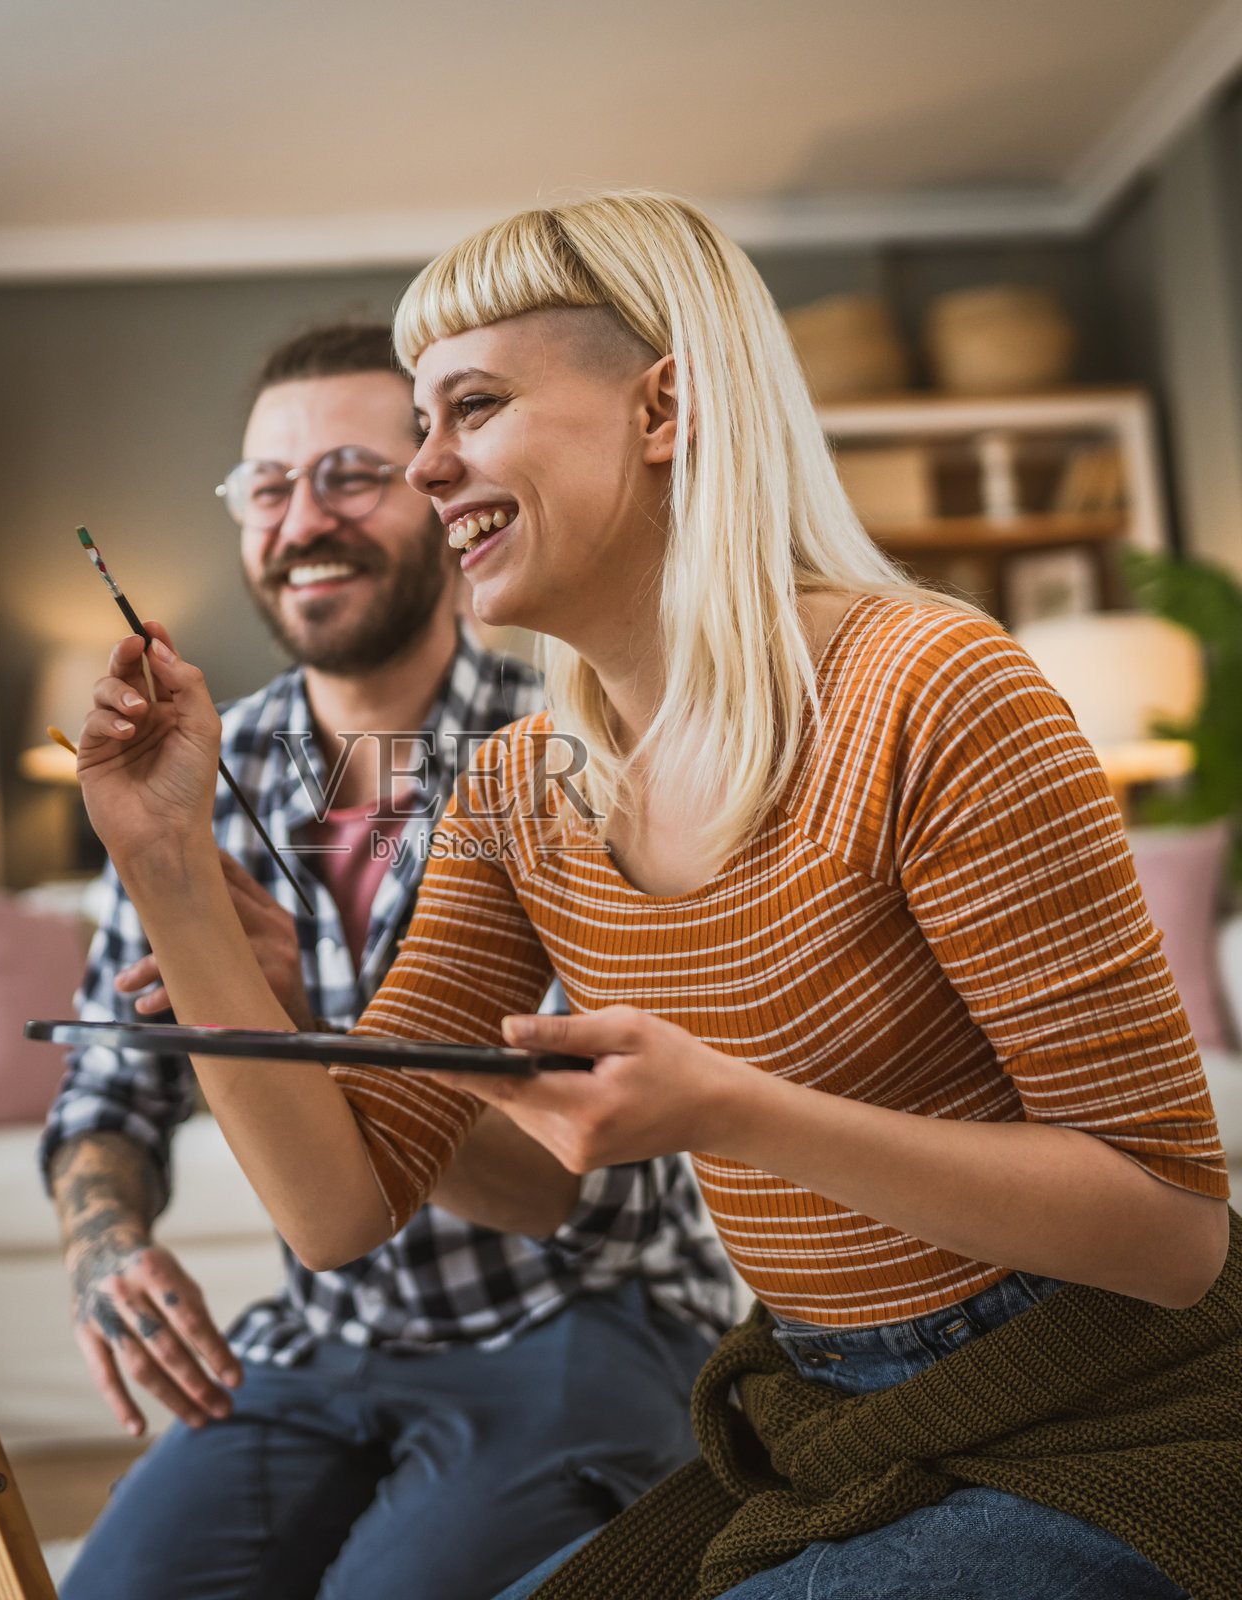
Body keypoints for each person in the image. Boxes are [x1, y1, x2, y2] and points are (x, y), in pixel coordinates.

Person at [70, 200, 1239, 1600]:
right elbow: (339, 1206)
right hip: (821, 1407)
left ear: (665, 406)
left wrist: (728, 1108)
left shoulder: (930, 691)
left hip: (1105, 1404)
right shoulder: (518, 787)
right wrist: (169, 866)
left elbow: (1173, 1232)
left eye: (473, 406)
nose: (427, 467)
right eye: (422, 424)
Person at [44, 322, 733, 1600]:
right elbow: (105, 1089)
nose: (303, 519)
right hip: (329, 1327)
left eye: (350, 474)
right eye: (267, 486)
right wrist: (108, 1249)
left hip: (584, 1319)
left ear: (431, 485)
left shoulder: (570, 747)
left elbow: (579, 1186)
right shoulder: (194, 770)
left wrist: (316, 1027)